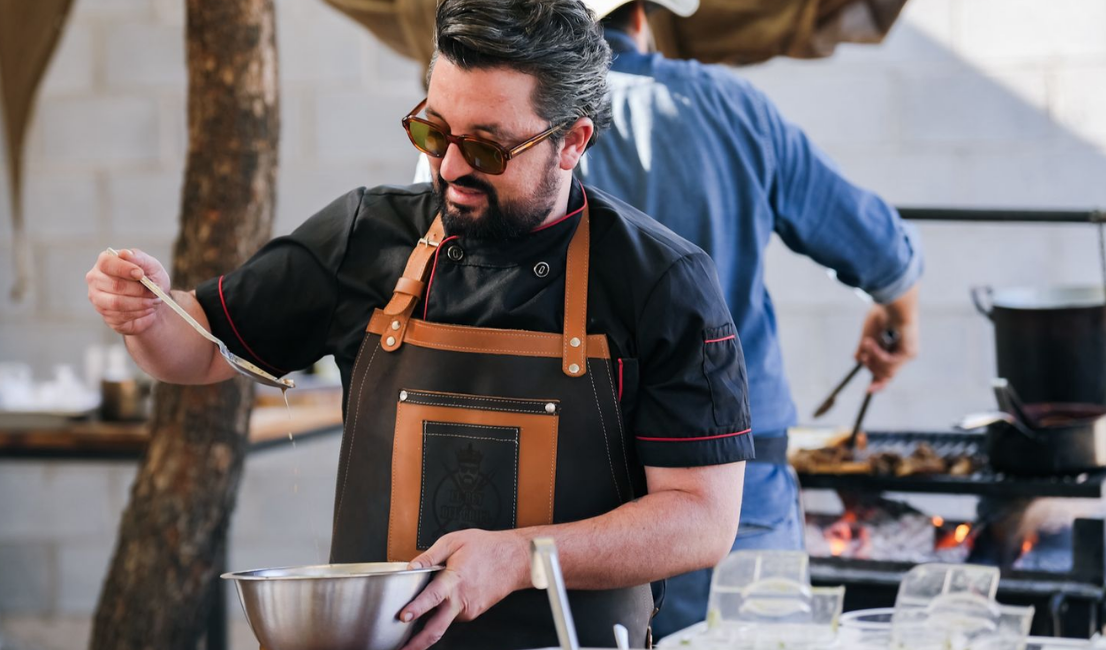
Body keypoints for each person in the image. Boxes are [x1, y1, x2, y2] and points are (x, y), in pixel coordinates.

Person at [85, 1, 753, 647]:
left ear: (571, 142)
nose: (451, 168)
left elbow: (702, 519)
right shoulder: (363, 236)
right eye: (434, 132)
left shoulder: (660, 281)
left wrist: (522, 557)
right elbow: (201, 350)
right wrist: (148, 314)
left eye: (487, 148)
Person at [575, 0, 923, 638]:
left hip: (579, 493)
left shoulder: (518, 125)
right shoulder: (732, 106)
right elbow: (880, 250)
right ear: (646, 15)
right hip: (738, 484)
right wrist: (898, 309)